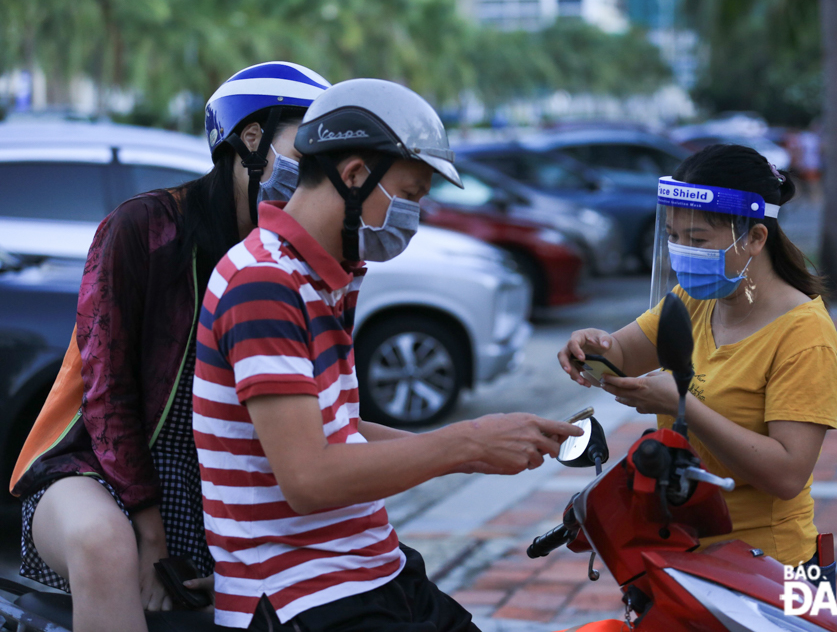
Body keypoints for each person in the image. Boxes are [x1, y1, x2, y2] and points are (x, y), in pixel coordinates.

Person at [193, 78, 582, 631]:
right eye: (412, 193)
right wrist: (463, 443)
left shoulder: (323, 277)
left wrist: (483, 445)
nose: (416, 214)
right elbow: (308, 478)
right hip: (299, 592)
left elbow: (339, 432)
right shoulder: (263, 282)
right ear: (354, 175)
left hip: (369, 571)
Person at [9, 61, 330, 632]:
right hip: (94, 468)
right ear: (250, 139)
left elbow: (310, 417)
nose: (311, 181)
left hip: (215, 477)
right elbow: (107, 392)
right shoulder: (144, 227)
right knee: (104, 545)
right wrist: (151, 536)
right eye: (303, 155)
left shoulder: (300, 254)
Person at [558, 144, 837, 586]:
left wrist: (682, 402)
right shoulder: (695, 300)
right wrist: (590, 346)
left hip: (769, 571)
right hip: (685, 556)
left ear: (755, 238)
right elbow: (623, 354)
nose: (681, 250)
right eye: (673, 236)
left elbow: (787, 473)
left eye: (697, 240)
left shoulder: (805, 337)